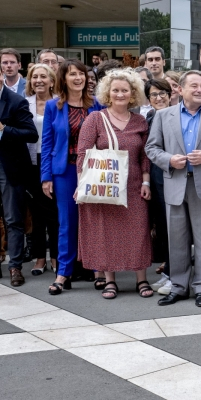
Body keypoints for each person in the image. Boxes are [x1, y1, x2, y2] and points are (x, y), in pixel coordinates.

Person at [145, 70, 201, 307]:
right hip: (175, 183)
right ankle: (178, 287)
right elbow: (152, 148)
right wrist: (168, 160)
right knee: (177, 239)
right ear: (180, 90)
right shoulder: (164, 116)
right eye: (194, 85)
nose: (200, 89)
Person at [76, 68, 153, 300]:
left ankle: (142, 279)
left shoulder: (140, 121)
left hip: (134, 185)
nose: (120, 94)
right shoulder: (95, 119)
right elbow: (83, 154)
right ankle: (110, 281)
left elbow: (145, 156)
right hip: (105, 187)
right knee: (106, 232)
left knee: (138, 231)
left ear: (133, 93)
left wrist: (146, 182)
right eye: (115, 90)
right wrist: (82, 185)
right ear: (108, 92)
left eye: (125, 90)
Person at [41, 59, 104, 295]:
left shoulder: (97, 105)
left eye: (82, 74)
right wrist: (46, 176)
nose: (78, 78)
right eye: (72, 74)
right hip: (65, 171)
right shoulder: (52, 106)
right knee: (67, 222)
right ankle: (63, 273)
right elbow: (47, 143)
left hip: (93, 170)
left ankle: (98, 270)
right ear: (63, 79)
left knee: (95, 220)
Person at [0, 69, 38, 285]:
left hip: (9, 167)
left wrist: (4, 130)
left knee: (13, 218)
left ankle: (15, 266)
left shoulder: (15, 101)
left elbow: (31, 133)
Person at [25, 64, 59, 276]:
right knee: (35, 214)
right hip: (30, 163)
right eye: (34, 77)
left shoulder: (59, 103)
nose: (39, 80)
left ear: (52, 80)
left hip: (53, 163)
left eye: (43, 76)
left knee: (54, 213)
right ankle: (39, 258)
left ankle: (55, 256)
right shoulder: (23, 103)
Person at [143, 78, 173, 294]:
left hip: (171, 174)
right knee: (162, 227)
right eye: (154, 94)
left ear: (170, 95)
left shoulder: (176, 116)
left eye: (163, 93)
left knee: (174, 229)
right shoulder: (150, 116)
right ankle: (168, 271)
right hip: (154, 176)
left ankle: (175, 274)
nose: (159, 97)